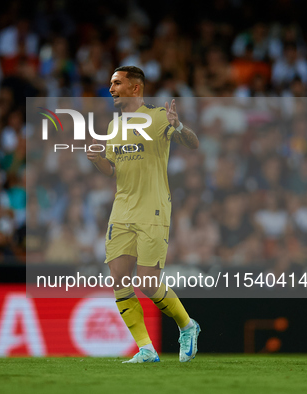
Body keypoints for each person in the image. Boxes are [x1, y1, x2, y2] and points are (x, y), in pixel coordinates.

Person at [86, 66, 201, 363]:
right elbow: (112, 170)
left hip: (153, 207)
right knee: (120, 281)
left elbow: (193, 144)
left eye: (116, 83)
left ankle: (188, 326)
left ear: (135, 88)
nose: (110, 89)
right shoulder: (114, 127)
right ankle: (146, 349)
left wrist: (179, 128)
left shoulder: (159, 116)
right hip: (121, 209)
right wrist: (97, 159)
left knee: (148, 282)